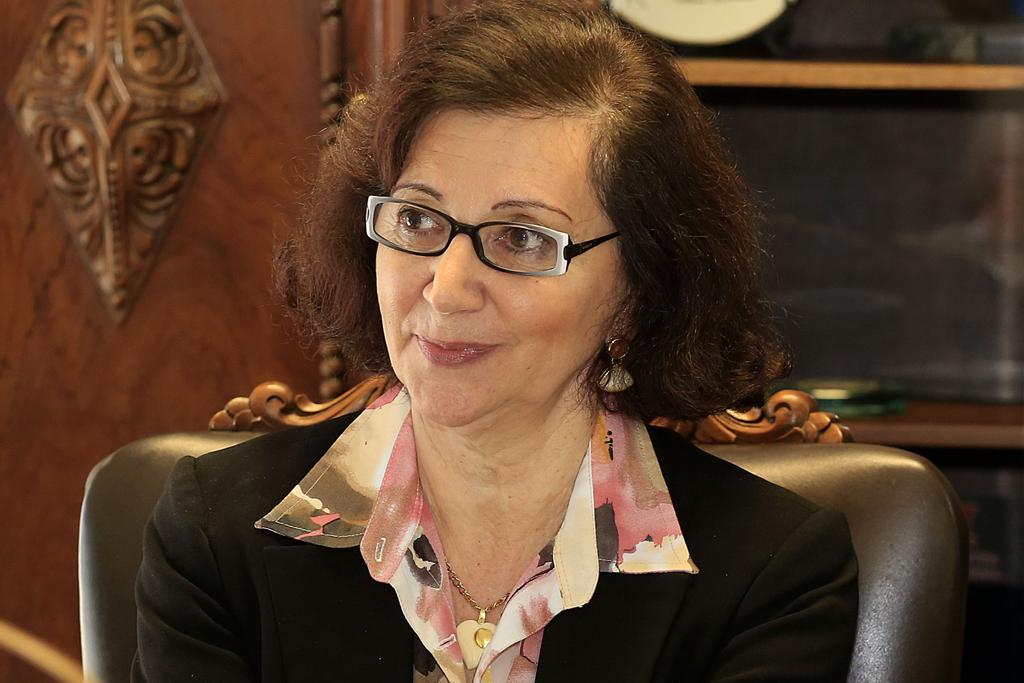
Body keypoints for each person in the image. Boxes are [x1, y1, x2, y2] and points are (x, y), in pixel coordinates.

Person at [132, 1, 858, 681]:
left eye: (521, 238)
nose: (446, 288)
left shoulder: (770, 571)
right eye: (417, 220)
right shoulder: (215, 535)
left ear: (639, 290)